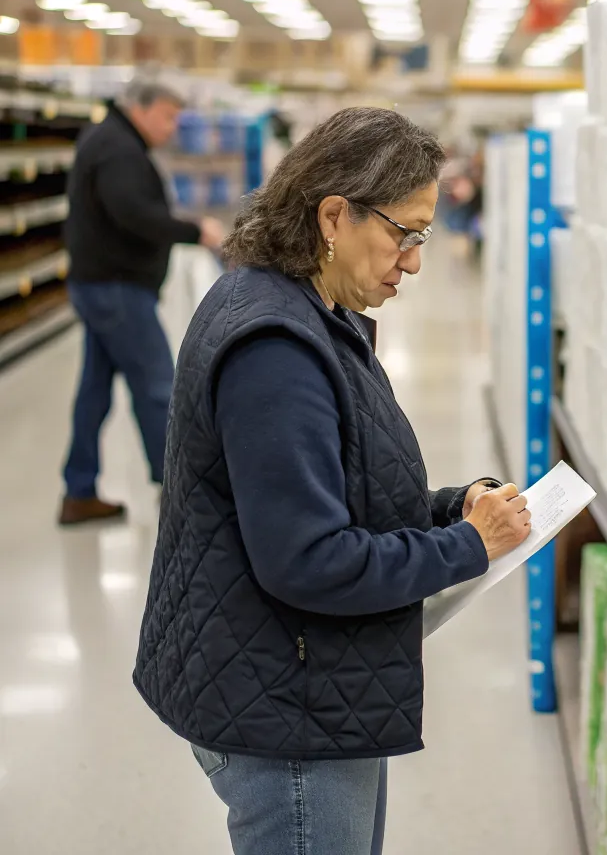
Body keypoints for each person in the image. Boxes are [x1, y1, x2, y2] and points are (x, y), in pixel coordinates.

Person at [133, 107, 532, 855]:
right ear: (333, 216)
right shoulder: (275, 349)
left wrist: (456, 508)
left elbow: (341, 480)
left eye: (423, 236)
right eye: (403, 233)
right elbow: (309, 559)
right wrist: (465, 548)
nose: (413, 260)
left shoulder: (312, 310)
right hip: (286, 713)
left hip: (304, 684)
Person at [61, 79, 224, 526]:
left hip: (101, 285)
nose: (172, 128)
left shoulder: (112, 140)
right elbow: (133, 214)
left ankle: (78, 491)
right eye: (168, 117)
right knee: (156, 386)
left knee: (94, 391)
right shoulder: (118, 148)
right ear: (141, 109)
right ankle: (178, 491)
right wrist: (196, 231)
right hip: (117, 289)